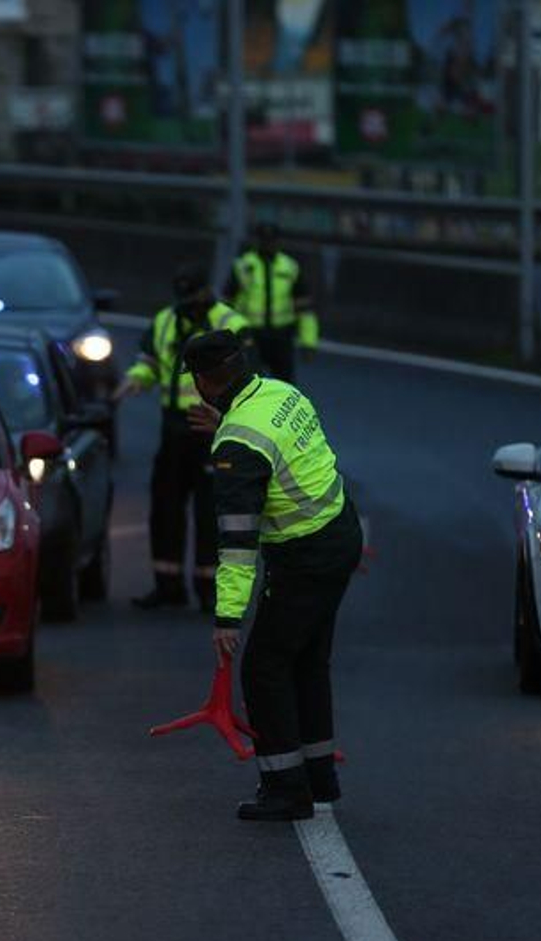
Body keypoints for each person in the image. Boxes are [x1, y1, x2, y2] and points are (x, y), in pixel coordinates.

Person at [183, 330, 361, 822]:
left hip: (304, 556)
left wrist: (227, 617)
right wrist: (227, 425)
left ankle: (286, 787)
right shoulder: (281, 392)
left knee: (265, 667)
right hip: (340, 532)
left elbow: (237, 545)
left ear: (202, 382)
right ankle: (320, 777)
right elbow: (277, 446)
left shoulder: (237, 446)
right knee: (307, 661)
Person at [115, 263, 250, 611]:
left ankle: (209, 589)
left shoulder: (230, 323)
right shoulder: (164, 321)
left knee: (210, 510)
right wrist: (136, 379)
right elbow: (149, 361)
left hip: (212, 427)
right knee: (165, 506)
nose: (188, 303)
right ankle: (168, 584)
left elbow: (248, 377)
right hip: (173, 426)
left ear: (208, 292)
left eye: (194, 296)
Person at [223, 223, 319, 383]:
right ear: (257, 241)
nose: (268, 244)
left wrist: (308, 341)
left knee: (286, 385)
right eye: (264, 240)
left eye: (272, 240)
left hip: (281, 336)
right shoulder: (243, 266)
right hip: (249, 335)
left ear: (279, 242)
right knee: (248, 385)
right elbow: (226, 306)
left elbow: (304, 309)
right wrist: (226, 339)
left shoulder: (290, 267)